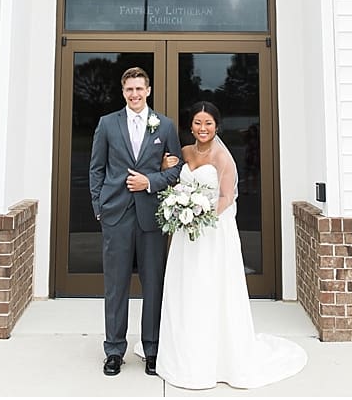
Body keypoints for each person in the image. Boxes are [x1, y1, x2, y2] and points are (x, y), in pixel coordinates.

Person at [151, 102, 307, 389]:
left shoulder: (223, 157)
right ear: (191, 126)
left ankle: (217, 357)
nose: (202, 128)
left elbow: (226, 197)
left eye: (208, 123)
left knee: (211, 287)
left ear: (217, 126)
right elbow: (171, 182)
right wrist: (172, 187)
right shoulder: (185, 153)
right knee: (186, 287)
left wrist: (200, 214)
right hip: (186, 235)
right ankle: (184, 351)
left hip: (212, 231)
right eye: (197, 122)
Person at [88, 66, 183, 376]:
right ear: (123, 91)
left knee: (153, 284)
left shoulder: (165, 126)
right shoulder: (107, 124)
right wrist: (98, 206)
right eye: (129, 89)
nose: (134, 94)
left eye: (139, 89)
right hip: (116, 214)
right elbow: (96, 168)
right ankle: (114, 350)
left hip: (151, 216)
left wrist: (150, 182)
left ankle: (152, 348)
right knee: (115, 286)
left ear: (149, 90)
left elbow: (176, 170)